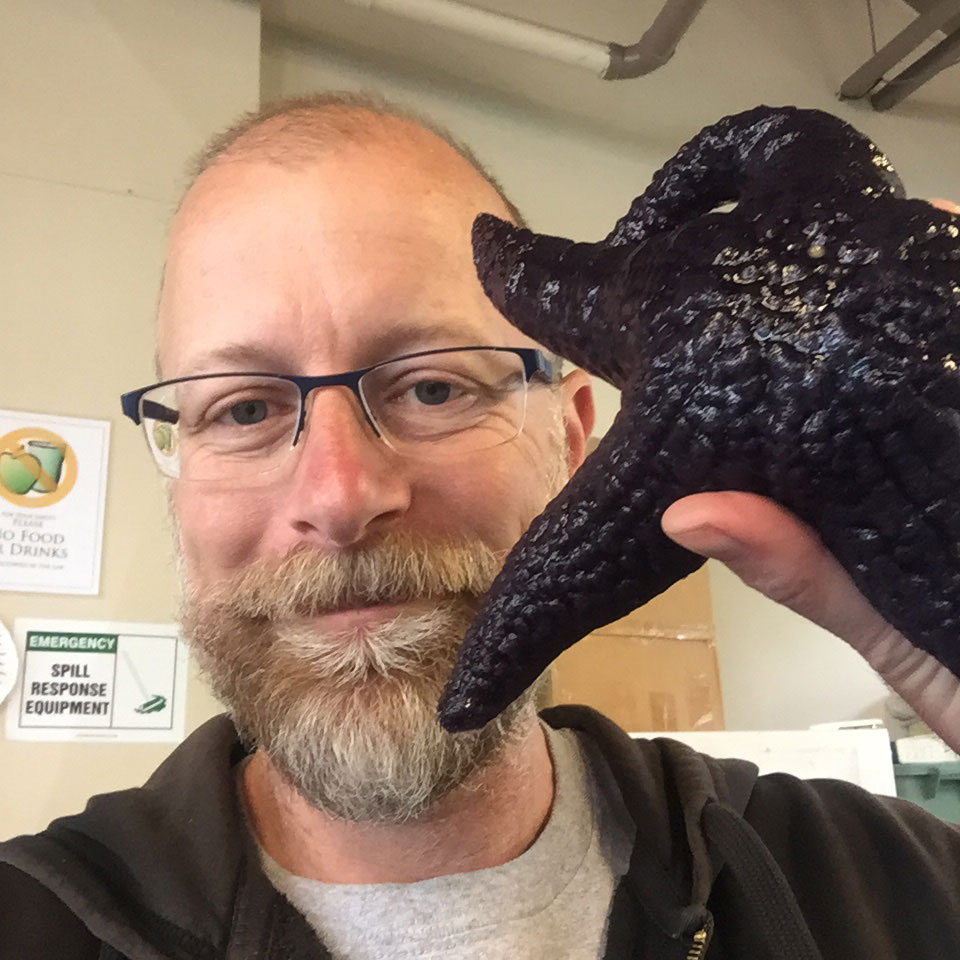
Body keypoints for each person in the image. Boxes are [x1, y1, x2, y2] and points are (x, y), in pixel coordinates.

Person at [2, 92, 960, 960]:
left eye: (432, 386)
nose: (339, 498)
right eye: (242, 410)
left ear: (574, 439)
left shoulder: (895, 887)